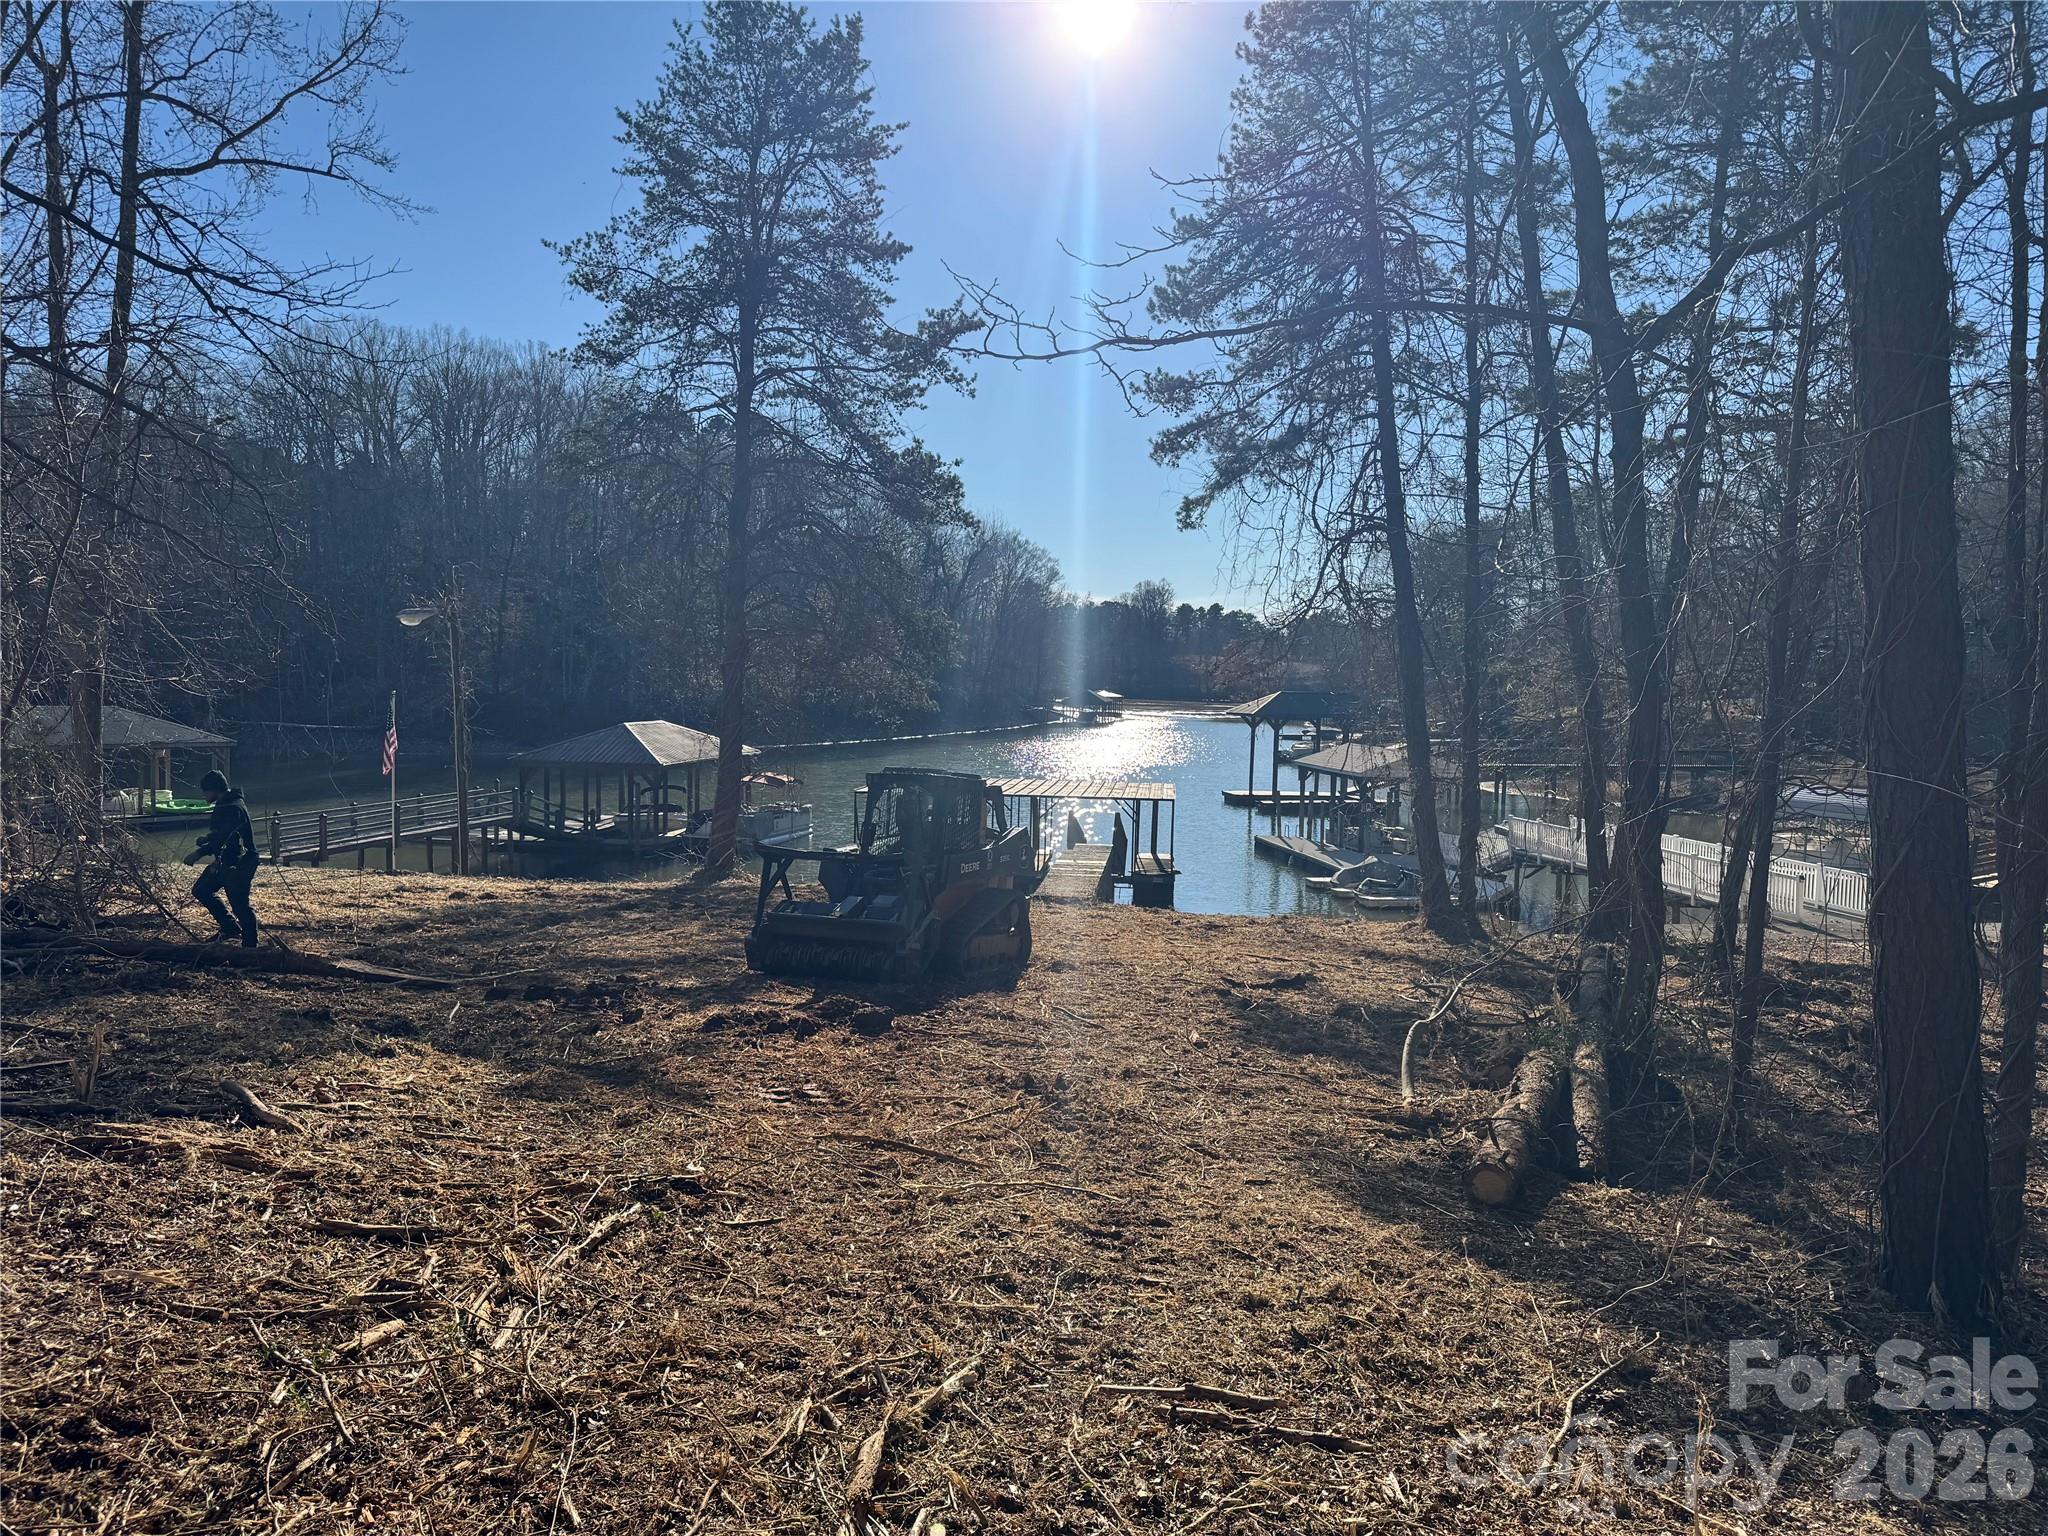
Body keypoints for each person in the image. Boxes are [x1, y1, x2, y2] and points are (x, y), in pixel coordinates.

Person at [186, 769, 259, 946]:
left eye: (205, 791)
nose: (203, 795)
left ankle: (250, 946)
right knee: (201, 890)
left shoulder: (233, 807)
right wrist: (207, 840)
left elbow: (227, 838)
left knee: (239, 904)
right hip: (226, 860)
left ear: (214, 789)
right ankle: (230, 928)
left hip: (240, 861)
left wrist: (199, 853)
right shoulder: (227, 804)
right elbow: (221, 834)